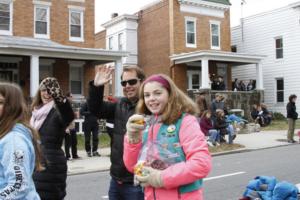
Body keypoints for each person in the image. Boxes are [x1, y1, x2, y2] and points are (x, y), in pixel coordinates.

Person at [123, 74, 212, 200]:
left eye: (157, 93)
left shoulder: (185, 122)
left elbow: (201, 164)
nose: (151, 99)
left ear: (170, 95)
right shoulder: (147, 124)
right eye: (147, 95)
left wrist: (160, 178)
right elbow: (133, 166)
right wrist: (132, 138)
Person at [88, 65, 146, 200]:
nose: (127, 86)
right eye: (124, 83)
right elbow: (95, 109)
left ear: (142, 81)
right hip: (116, 180)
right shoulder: (120, 104)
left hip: (137, 182)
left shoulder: (149, 106)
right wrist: (97, 87)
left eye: (132, 82)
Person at [30, 77, 74, 200]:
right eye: (43, 90)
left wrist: (60, 98)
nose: (46, 93)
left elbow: (68, 116)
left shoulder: (57, 110)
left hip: (51, 165)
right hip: (33, 162)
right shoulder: (33, 112)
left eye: (50, 91)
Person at [0, 83, 42, 200]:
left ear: (11, 106)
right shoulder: (5, 134)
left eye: (1, 102)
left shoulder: (13, 141)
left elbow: (18, 186)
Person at [64, 92, 80, 160]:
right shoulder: (64, 105)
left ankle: (75, 155)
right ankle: (67, 156)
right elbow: (63, 117)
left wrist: (76, 114)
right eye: (71, 96)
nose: (72, 98)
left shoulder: (72, 105)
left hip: (73, 126)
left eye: (72, 96)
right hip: (68, 127)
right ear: (67, 97)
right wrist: (66, 127)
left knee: (74, 142)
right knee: (68, 143)